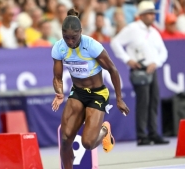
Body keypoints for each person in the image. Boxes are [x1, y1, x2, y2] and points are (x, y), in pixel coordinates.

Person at [51, 8, 130, 169]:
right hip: (78, 93)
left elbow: (113, 70)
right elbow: (57, 78)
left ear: (81, 32)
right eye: (66, 38)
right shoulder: (59, 48)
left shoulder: (92, 46)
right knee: (66, 140)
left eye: (74, 38)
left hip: (97, 94)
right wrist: (59, 92)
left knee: (88, 143)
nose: (70, 42)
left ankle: (104, 131)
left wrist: (119, 99)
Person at [110, 0, 169, 146]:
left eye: (153, 14)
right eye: (149, 14)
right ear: (141, 16)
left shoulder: (154, 32)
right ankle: (142, 135)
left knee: (154, 101)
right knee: (144, 102)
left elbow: (164, 51)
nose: (152, 16)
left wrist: (156, 63)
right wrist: (127, 59)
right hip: (139, 70)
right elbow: (115, 42)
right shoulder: (133, 29)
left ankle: (154, 133)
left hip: (152, 70)